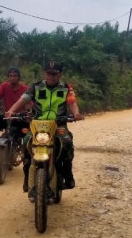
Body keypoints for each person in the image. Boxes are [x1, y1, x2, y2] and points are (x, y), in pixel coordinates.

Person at [6, 60, 83, 192]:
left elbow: (72, 102)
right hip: (37, 124)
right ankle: (27, 177)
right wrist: (11, 110)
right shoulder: (36, 87)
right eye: (48, 73)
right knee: (26, 143)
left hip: (58, 124)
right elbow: (23, 99)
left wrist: (76, 113)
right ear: (44, 73)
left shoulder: (66, 88)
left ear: (60, 74)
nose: (51, 76)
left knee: (67, 142)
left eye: (54, 74)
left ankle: (68, 174)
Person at [0, 67, 28, 158]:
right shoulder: (4, 86)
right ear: (8, 77)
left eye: (15, 76)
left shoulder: (24, 88)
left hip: (20, 117)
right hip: (8, 116)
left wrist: (32, 110)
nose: (12, 78)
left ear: (19, 77)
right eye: (10, 76)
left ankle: (25, 150)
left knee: (28, 131)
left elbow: (31, 100)